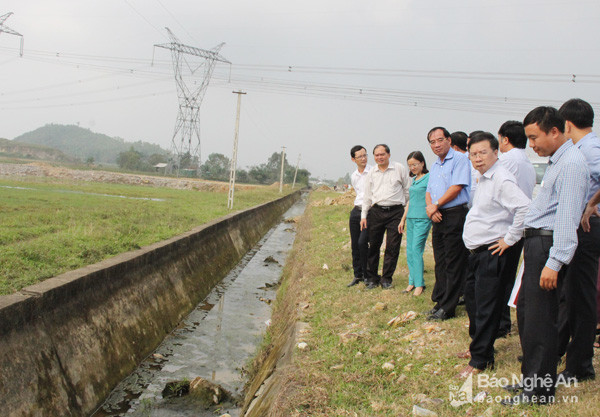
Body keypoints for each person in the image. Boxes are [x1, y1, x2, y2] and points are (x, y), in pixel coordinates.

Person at [502, 106, 589, 406]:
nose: (531, 145)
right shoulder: (557, 162)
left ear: (555, 130)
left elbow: (567, 218)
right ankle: (532, 379)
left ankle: (539, 392)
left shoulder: (573, 164)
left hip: (548, 247)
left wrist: (555, 262)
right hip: (537, 245)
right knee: (527, 314)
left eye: (534, 137)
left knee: (541, 321)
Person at [458, 132, 530, 378]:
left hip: (492, 251)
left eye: (483, 153)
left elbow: (524, 208)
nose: (477, 158)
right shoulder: (483, 178)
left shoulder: (501, 178)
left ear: (496, 152)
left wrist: (509, 239)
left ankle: (481, 359)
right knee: (474, 301)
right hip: (476, 251)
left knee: (487, 307)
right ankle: (477, 347)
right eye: (473, 154)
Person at [556, 98, 600, 382]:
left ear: (567, 124)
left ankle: (580, 366)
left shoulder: (589, 148)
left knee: (581, 299)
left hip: (588, 228)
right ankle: (568, 355)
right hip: (584, 226)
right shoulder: (584, 147)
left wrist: (591, 204)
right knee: (572, 295)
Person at [425, 127, 471, 320]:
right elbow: (429, 190)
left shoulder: (460, 160)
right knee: (440, 261)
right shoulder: (435, 165)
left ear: (449, 140)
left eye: (440, 140)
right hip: (437, 216)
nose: (436, 145)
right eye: (432, 142)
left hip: (454, 215)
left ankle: (449, 307)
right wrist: (430, 208)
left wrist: (436, 205)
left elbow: (457, 187)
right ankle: (440, 301)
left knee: (453, 262)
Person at [496, 120, 537, 338]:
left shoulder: (505, 161)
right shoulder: (526, 161)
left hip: (505, 228)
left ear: (505, 139)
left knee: (498, 280)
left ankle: (500, 324)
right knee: (508, 277)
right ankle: (503, 323)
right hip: (519, 227)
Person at [360, 144, 410, 289]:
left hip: (395, 212)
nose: (379, 157)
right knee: (373, 245)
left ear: (388, 154)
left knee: (392, 246)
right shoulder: (371, 173)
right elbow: (367, 196)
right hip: (376, 212)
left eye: (382, 154)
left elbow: (407, 192)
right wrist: (364, 216)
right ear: (374, 157)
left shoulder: (399, 169)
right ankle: (372, 278)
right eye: (376, 155)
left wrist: (404, 213)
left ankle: (386, 278)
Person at [399, 151, 431, 297]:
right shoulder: (415, 180)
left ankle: (419, 284)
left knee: (417, 250)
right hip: (411, 217)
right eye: (410, 165)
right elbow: (410, 200)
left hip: (423, 218)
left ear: (422, 163)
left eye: (415, 164)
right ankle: (411, 281)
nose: (412, 167)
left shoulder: (429, 178)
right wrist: (403, 219)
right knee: (410, 251)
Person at [347, 145, 372, 287]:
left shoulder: (373, 172)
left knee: (363, 243)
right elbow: (358, 193)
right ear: (353, 159)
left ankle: (368, 274)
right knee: (355, 244)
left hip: (369, 212)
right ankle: (358, 275)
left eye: (365, 155)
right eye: (360, 156)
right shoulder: (354, 176)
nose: (363, 159)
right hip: (356, 210)